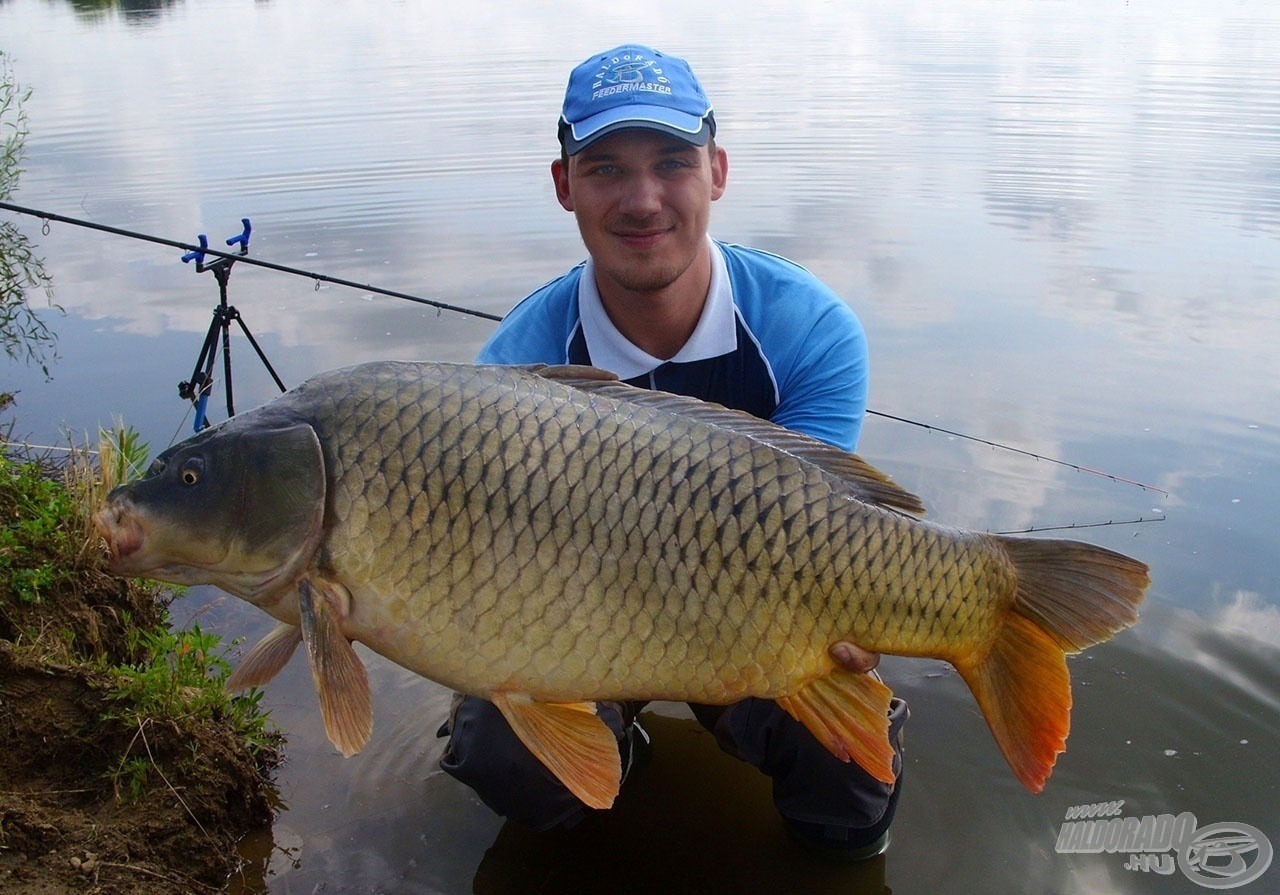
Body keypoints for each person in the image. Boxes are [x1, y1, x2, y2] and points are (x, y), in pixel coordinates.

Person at [439, 43, 907, 862]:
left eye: (671, 163)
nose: (642, 198)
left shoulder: (810, 331)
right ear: (564, 187)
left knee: (847, 793)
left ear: (717, 171)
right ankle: (612, 763)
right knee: (502, 749)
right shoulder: (512, 369)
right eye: (605, 167)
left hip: (753, 618)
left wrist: (856, 618)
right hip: (573, 626)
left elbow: (832, 541)